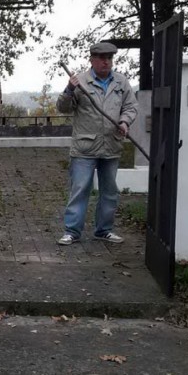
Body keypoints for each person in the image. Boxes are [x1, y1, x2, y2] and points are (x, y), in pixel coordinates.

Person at [55, 42, 138, 245]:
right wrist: (69, 89)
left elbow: (131, 106)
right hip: (84, 147)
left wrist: (124, 122)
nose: (106, 62)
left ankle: (104, 230)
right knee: (80, 189)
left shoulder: (121, 82)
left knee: (109, 192)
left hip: (111, 145)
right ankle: (72, 231)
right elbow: (63, 108)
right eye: (101, 58)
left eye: (109, 58)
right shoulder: (80, 82)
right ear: (92, 59)